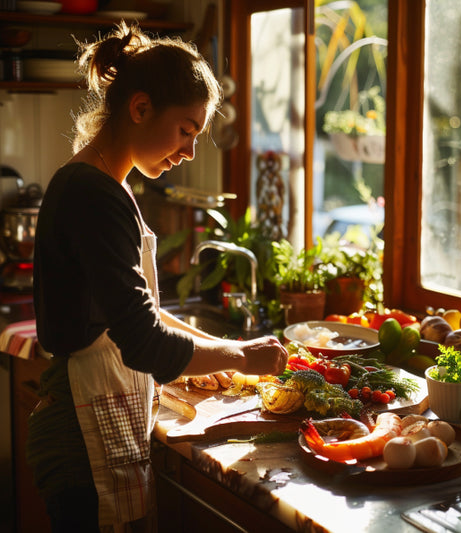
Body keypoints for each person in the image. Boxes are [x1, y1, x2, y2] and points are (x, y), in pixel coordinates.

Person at [26, 22, 288, 533]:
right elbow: (144, 343)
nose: (190, 151)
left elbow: (137, 312)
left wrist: (222, 350)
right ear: (141, 108)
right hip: (78, 434)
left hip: (90, 414)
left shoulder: (106, 184)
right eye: (187, 129)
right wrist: (244, 357)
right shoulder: (93, 193)